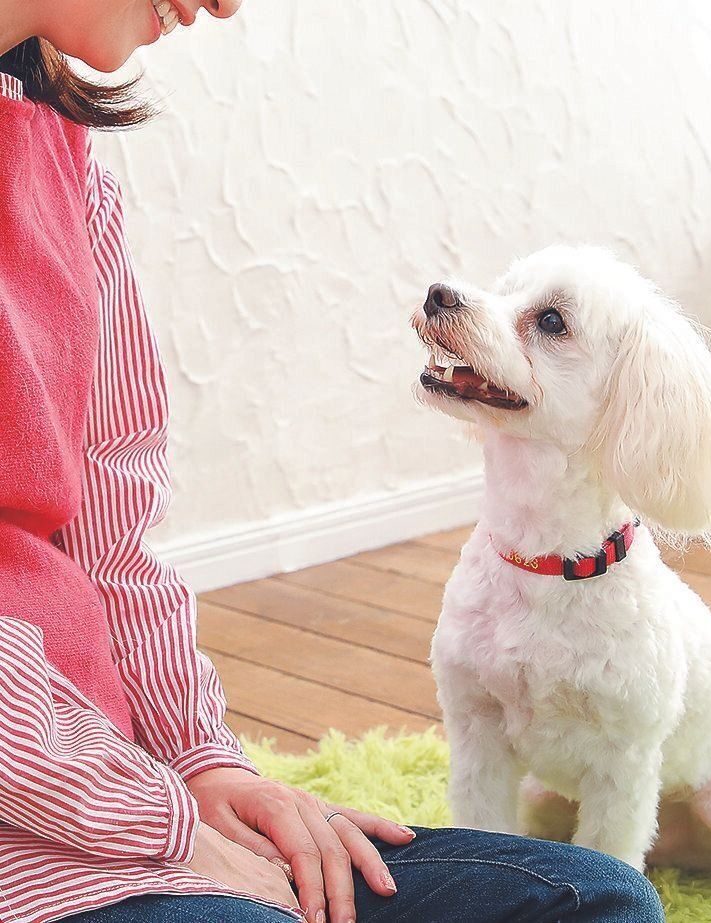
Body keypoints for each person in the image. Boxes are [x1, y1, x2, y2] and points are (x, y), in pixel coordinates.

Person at [0, 3, 666, 922]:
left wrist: (204, 762)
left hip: (127, 796)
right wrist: (164, 824)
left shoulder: (70, 176)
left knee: (593, 897)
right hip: (48, 848)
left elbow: (116, 535)